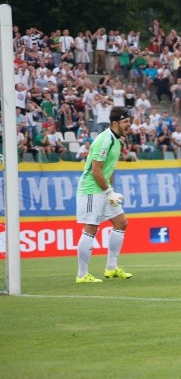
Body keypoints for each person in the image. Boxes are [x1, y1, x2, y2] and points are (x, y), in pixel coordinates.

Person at [74, 107, 133, 283]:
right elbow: (96, 171)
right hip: (92, 189)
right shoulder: (104, 140)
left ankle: (111, 269)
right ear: (115, 123)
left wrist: (111, 191)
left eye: (129, 122)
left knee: (121, 223)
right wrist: (109, 192)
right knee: (91, 228)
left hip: (103, 188)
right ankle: (82, 274)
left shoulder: (118, 141)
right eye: (125, 122)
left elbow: (109, 170)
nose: (129, 125)